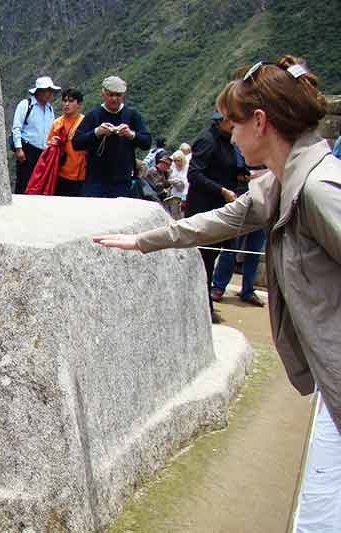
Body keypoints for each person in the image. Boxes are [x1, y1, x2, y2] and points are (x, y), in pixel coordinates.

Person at [93, 56, 340, 532]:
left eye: (234, 123)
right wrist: (144, 239)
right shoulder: (285, 181)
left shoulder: (318, 188)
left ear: (261, 123)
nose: (230, 134)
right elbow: (223, 220)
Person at [182, 110, 244, 322]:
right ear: (222, 121)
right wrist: (221, 190)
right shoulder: (208, 141)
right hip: (204, 207)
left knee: (211, 258)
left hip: (219, 208)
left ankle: (203, 306)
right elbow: (195, 174)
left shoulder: (228, 142)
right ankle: (202, 308)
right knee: (204, 260)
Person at [73, 76, 151, 198]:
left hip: (122, 182)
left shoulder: (132, 115)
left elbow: (146, 142)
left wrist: (131, 135)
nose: (114, 99)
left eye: (118, 95)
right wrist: (96, 132)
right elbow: (76, 143)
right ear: (103, 93)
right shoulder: (93, 115)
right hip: (95, 181)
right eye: (110, 95)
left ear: (123, 95)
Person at [210, 167, 268, 307]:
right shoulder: (241, 152)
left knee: (253, 252)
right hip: (240, 200)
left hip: (263, 203)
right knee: (230, 249)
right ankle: (218, 286)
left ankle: (248, 290)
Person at [11, 76, 59, 194]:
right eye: (46, 90)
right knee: (24, 181)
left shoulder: (49, 109)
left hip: (43, 151)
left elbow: (50, 129)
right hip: (28, 149)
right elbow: (17, 128)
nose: (49, 94)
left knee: (39, 183)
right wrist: (19, 149)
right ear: (38, 91)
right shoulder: (26, 105)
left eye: (50, 91)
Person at [45, 88, 86, 197]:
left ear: (79, 104)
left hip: (81, 175)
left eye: (71, 101)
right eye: (65, 101)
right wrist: (52, 143)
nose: (66, 104)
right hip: (60, 174)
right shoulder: (57, 123)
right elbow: (48, 145)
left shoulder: (85, 122)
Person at [168, 149, 189, 219]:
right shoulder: (172, 167)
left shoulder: (187, 167)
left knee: (182, 213)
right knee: (174, 213)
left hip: (184, 194)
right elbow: (168, 179)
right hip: (174, 193)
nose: (176, 162)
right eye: (175, 160)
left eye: (178, 160)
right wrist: (172, 181)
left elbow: (188, 181)